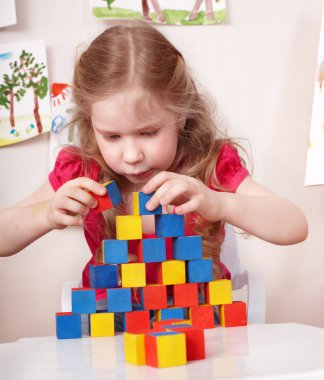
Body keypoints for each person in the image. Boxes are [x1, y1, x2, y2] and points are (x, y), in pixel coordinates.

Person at [0, 22, 307, 326]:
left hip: (196, 317)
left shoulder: (209, 165)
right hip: (111, 318)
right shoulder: (84, 170)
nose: (132, 155)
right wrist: (45, 215)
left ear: (181, 114)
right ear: (90, 122)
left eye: (148, 132)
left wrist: (219, 203)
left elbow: (295, 226)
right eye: (112, 137)